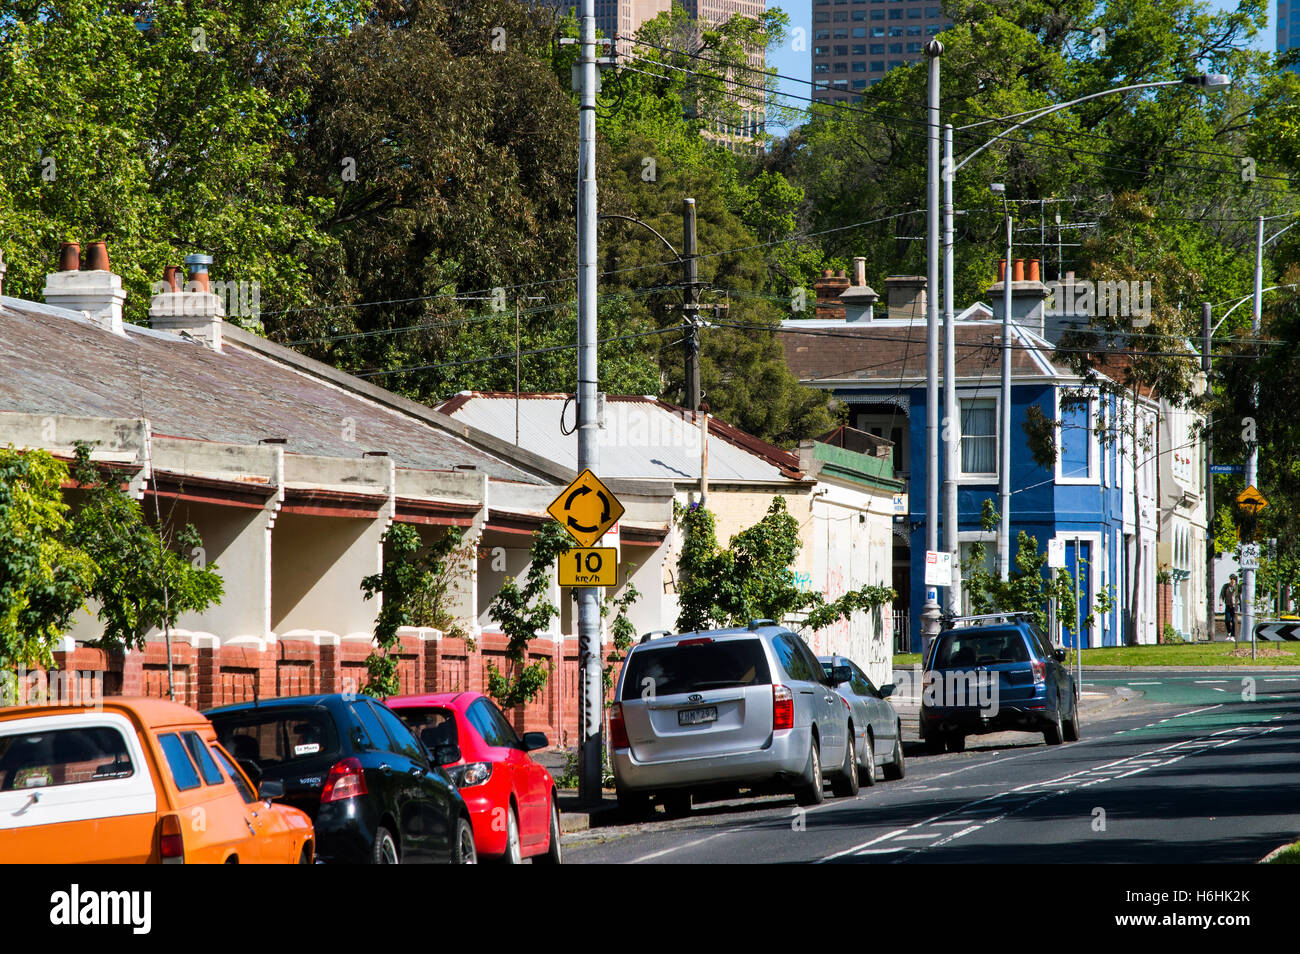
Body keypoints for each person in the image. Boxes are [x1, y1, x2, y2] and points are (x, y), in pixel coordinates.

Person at [1220, 574, 1239, 641]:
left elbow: (1239, 596)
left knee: (1234, 621)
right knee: (1227, 620)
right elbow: (1222, 595)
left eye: (1233, 579)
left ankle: (1233, 635)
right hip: (1228, 605)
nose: (1232, 580)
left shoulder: (1237, 587)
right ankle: (1229, 632)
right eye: (1231, 579)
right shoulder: (1226, 586)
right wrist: (1220, 604)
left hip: (1235, 606)